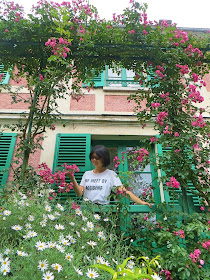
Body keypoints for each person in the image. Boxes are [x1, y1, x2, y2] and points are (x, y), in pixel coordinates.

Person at [66, 145, 152, 207]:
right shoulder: (87, 174)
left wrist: (141, 202)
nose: (94, 160)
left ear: (104, 158)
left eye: (97, 157)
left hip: (103, 211)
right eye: (92, 157)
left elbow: (124, 192)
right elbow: (79, 193)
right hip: (87, 211)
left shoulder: (111, 174)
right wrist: (72, 178)